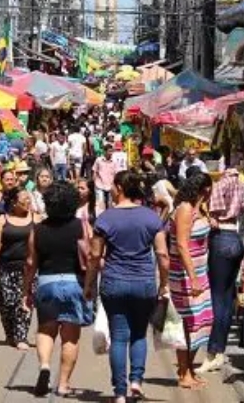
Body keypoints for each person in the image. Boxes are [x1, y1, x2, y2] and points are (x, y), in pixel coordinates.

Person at [85, 171, 170, 403]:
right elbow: (162, 254)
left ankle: (120, 393)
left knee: (119, 337)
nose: (111, 189)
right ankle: (136, 381)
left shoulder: (105, 219)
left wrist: (89, 285)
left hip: (114, 282)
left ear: (120, 188)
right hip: (144, 283)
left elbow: (94, 256)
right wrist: (164, 284)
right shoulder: (151, 218)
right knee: (139, 335)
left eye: (113, 185)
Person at [24, 182, 93, 397]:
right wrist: (90, 285)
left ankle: (45, 365)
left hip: (46, 282)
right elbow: (91, 257)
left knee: (46, 329)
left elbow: (30, 262)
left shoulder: (38, 229)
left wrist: (26, 289)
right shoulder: (82, 226)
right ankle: (63, 384)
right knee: (70, 336)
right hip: (74, 282)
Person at [168, 172, 215, 389]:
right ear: (204, 188)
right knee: (189, 323)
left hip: (200, 271)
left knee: (203, 321)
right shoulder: (185, 208)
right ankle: (184, 373)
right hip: (185, 275)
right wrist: (193, 278)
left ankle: (187, 369)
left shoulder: (199, 207)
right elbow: (182, 244)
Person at [200, 168, 244, 373]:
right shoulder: (240, 185)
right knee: (228, 298)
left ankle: (212, 352)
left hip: (222, 237)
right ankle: (219, 351)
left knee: (218, 299)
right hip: (236, 238)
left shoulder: (221, 185)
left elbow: (215, 210)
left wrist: (208, 214)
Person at [0, 188, 37, 350]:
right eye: (24, 199)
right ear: (15, 202)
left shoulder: (36, 219)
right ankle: (10, 334)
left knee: (24, 301)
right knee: (7, 303)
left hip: (27, 268)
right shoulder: (3, 220)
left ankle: (21, 336)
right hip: (5, 268)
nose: (28, 202)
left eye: (29, 199)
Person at [93, 144, 118, 210]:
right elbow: (95, 171)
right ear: (105, 151)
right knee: (100, 204)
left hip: (110, 185)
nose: (111, 153)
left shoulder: (114, 161)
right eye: (109, 151)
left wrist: (114, 185)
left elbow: (116, 174)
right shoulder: (98, 160)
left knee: (110, 204)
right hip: (99, 185)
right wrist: (94, 183)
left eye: (112, 151)